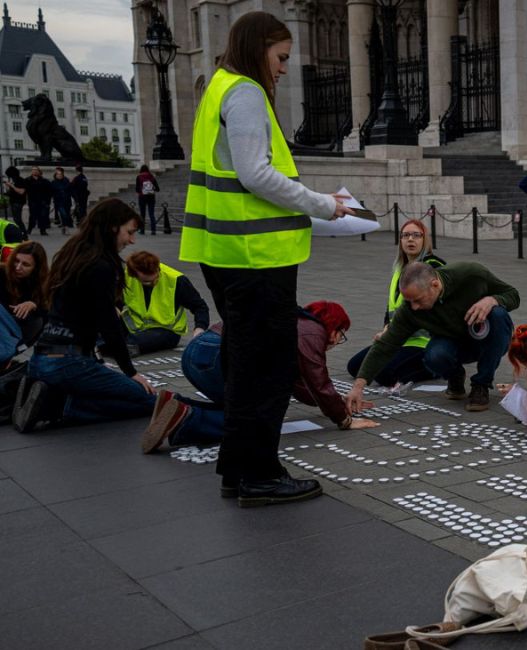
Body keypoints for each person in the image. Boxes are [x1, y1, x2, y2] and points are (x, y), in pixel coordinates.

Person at [179, 11, 353, 506]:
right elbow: (257, 174)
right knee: (268, 369)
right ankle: (259, 474)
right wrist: (324, 205)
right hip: (256, 258)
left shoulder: (218, 87)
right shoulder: (247, 93)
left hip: (226, 252)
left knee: (243, 362)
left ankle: (239, 467)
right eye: (280, 58)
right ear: (259, 48)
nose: (282, 69)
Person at [147, 302, 379, 475]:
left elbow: (301, 386)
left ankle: (178, 406)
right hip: (216, 354)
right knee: (257, 421)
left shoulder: (296, 322)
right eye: (341, 336)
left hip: (198, 352)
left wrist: (337, 403)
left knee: (241, 407)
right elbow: (316, 379)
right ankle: (189, 418)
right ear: (334, 327)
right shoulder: (311, 331)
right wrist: (344, 419)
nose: (337, 343)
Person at [12, 199, 158, 432]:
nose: (132, 240)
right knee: (149, 399)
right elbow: (109, 325)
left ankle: (52, 395)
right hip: (70, 363)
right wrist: (131, 372)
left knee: (112, 390)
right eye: (129, 232)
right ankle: (57, 406)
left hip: (41, 359)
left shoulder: (73, 254)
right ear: (112, 227)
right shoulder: (101, 266)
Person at [345, 261, 520, 413]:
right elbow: (385, 345)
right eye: (409, 301)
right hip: (452, 343)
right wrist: (358, 387)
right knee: (434, 356)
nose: (414, 307)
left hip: (485, 338)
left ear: (435, 285)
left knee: (498, 315)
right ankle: (455, 375)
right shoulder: (409, 309)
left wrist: (492, 300)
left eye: (418, 300)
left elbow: (513, 295)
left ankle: (481, 384)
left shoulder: (471, 274)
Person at [346, 218, 446, 387]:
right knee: (355, 367)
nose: (410, 240)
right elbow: (390, 308)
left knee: (385, 375)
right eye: (405, 235)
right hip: (397, 339)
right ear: (400, 240)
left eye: (416, 235)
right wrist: (386, 328)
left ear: (425, 240)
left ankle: (436, 367)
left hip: (423, 342)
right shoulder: (400, 269)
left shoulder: (433, 267)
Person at [122, 251, 210, 356]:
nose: (151, 283)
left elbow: (200, 307)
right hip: (135, 327)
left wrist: (199, 330)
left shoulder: (176, 280)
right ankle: (117, 344)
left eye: (154, 278)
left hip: (166, 331)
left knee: (129, 342)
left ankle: (120, 345)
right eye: (145, 281)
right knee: (104, 331)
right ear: (134, 275)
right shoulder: (126, 276)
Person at [0, 241, 49, 362]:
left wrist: (34, 305)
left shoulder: (43, 284)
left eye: (25, 265)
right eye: (16, 261)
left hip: (16, 330)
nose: (18, 267)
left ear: (36, 268)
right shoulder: (2, 272)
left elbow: (52, 313)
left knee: (38, 320)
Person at [24, 166, 52, 237]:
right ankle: (29, 229)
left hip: (42, 201)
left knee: (42, 216)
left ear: (39, 172)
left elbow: (49, 191)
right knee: (32, 216)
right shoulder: (28, 180)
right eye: (33, 170)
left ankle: (43, 230)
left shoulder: (44, 181)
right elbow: (24, 190)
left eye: (36, 170)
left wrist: (47, 201)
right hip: (32, 201)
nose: (34, 171)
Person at [135, 164, 161, 235]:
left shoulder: (139, 177)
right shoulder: (151, 176)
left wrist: (142, 191)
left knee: (142, 214)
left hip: (142, 197)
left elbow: (137, 189)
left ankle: (142, 230)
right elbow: (158, 189)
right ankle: (153, 230)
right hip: (151, 197)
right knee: (151, 214)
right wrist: (151, 190)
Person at [2, 167, 27, 235]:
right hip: (13, 201)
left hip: (18, 202)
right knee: (16, 219)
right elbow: (11, 192)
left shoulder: (20, 180)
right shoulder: (13, 180)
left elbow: (21, 192)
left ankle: (23, 232)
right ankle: (21, 232)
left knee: (18, 219)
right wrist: (7, 187)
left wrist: (12, 186)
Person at [50, 167, 74, 234]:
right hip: (59, 202)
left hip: (67, 201)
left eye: (60, 174)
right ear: (56, 175)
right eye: (58, 174)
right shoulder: (53, 182)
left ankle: (64, 226)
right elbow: (52, 192)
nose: (59, 175)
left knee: (67, 214)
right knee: (64, 214)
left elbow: (70, 190)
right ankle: (66, 228)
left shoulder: (66, 181)